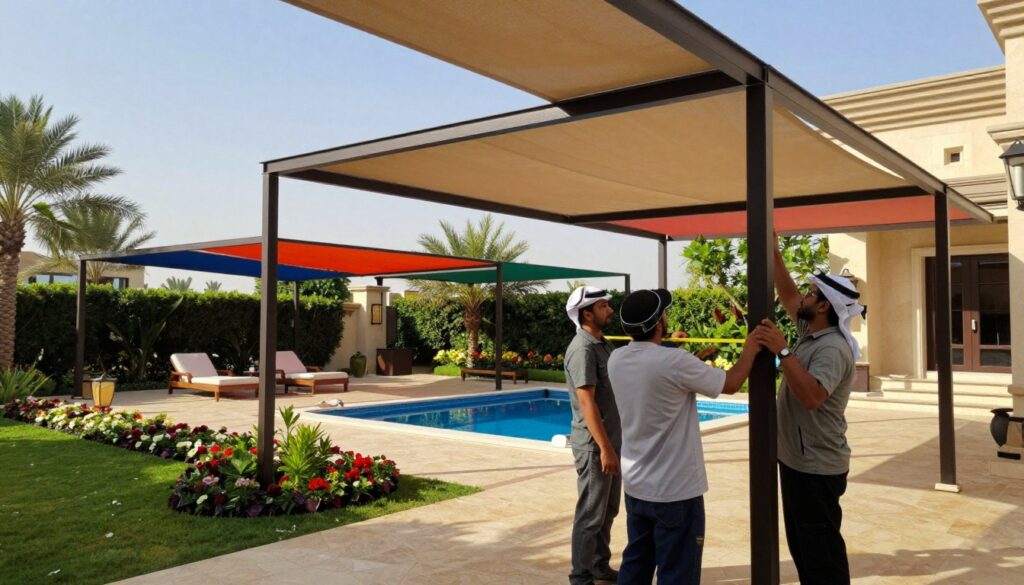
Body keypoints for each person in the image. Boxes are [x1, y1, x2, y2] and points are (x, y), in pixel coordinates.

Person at [608, 288, 761, 584]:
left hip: (637, 487)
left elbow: (656, 366)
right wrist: (750, 348)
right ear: (659, 324)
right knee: (677, 574)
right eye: (664, 314)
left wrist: (679, 352)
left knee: (636, 565)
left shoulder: (616, 359)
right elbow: (731, 383)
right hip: (675, 492)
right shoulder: (674, 361)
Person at [753, 235, 866, 585]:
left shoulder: (831, 348)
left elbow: (813, 397)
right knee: (805, 548)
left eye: (811, 294)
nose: (803, 297)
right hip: (799, 461)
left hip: (816, 465)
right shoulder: (811, 330)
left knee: (821, 556)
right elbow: (788, 293)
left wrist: (783, 351)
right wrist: (772, 249)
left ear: (823, 306)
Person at [564, 286, 622, 585]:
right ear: (587, 314)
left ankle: (599, 566)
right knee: (590, 514)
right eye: (603, 306)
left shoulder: (602, 344)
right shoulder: (582, 349)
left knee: (608, 510)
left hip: (610, 441)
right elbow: (587, 403)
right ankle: (580, 577)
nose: (610, 310)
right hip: (594, 447)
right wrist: (605, 449)